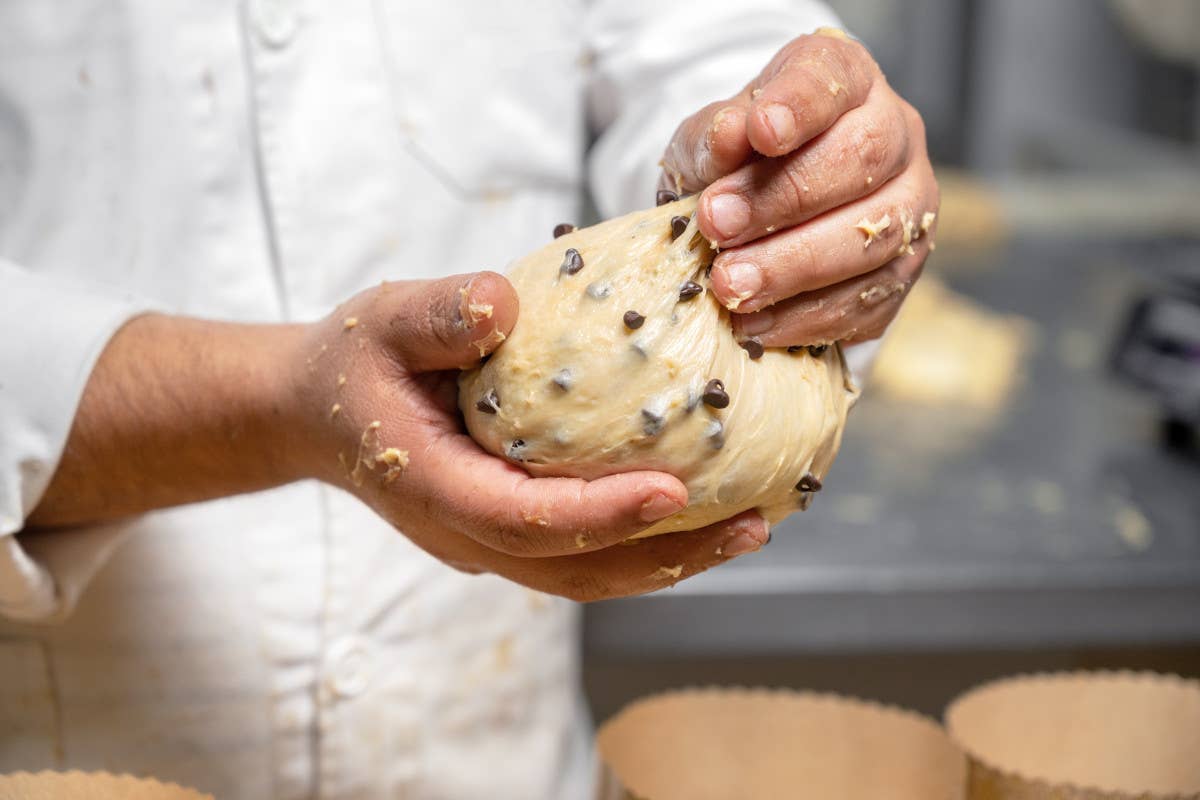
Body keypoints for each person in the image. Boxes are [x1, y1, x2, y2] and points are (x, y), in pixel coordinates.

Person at [0, 1, 937, 797]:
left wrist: (808, 166)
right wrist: (283, 402)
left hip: (495, 750)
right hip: (67, 742)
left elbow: (708, 42)